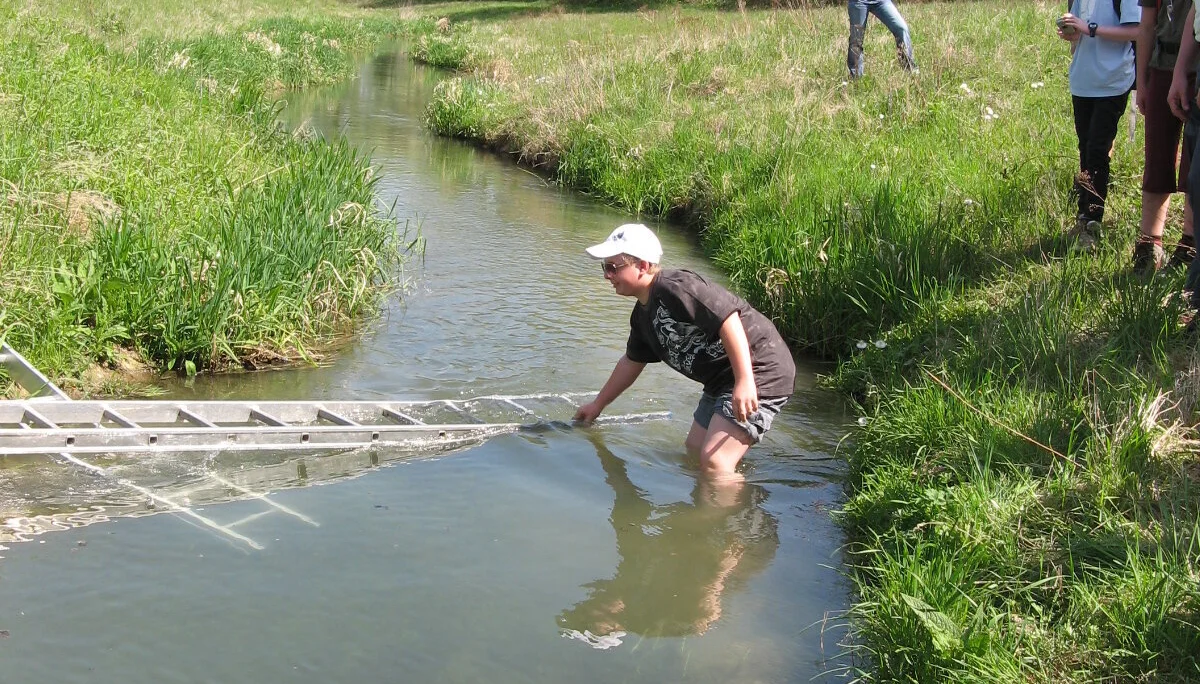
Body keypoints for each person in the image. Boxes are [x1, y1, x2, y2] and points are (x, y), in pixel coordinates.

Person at [572, 224, 796, 479]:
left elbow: (728, 320)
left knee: (714, 462)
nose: (607, 276)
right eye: (605, 267)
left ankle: (735, 518)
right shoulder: (642, 316)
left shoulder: (676, 287)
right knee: (694, 452)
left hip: (760, 369)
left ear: (643, 266)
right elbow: (631, 362)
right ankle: (719, 500)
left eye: (613, 267)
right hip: (720, 381)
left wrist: (745, 381)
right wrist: (598, 405)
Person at [557, 433, 778, 644]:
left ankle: (731, 462)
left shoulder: (631, 576)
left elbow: (625, 503)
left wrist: (606, 456)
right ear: (606, 628)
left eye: (581, 607)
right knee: (713, 466)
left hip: (718, 537)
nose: (587, 600)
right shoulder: (654, 620)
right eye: (586, 613)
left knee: (698, 455)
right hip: (746, 547)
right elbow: (704, 620)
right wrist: (722, 567)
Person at [1058, 1, 1142, 249]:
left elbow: (1136, 30)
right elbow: (1078, 38)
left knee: (1097, 150)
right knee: (1085, 149)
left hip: (1113, 81)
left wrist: (1089, 28)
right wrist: (1071, 34)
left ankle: (1092, 220)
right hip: (1082, 81)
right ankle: (1084, 217)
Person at [1135, 0, 1198, 272]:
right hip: (1161, 65)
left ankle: (1190, 242)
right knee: (1158, 154)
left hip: (1197, 71)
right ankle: (1150, 243)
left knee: (1193, 161)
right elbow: (1147, 25)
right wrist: (1142, 82)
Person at [847, 0, 918, 79]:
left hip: (881, 1)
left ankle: (910, 70)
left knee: (902, 28)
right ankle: (856, 77)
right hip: (858, 2)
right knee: (856, 40)